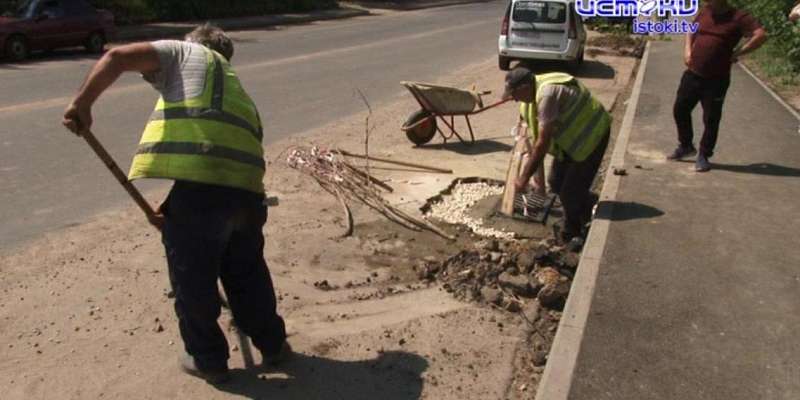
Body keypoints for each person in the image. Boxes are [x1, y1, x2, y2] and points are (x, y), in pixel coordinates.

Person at [62, 24, 289, 384]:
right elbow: (217, 162)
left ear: (191, 44)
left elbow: (117, 57)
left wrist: (82, 104)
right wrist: (176, 214)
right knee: (246, 271)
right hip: (246, 190)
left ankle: (209, 360)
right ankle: (274, 345)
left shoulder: (186, 52)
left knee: (193, 275)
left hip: (203, 189)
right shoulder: (233, 90)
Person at [503, 67, 611, 243]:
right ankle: (586, 203)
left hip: (592, 136)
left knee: (569, 194)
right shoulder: (531, 95)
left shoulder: (547, 96)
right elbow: (534, 135)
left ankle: (572, 234)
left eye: (514, 93)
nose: (514, 99)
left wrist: (523, 178)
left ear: (524, 87)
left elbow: (542, 143)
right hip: (572, 140)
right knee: (555, 182)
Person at [668, 0, 767, 172]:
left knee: (711, 118)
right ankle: (685, 146)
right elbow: (691, 31)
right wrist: (687, 51)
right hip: (693, 73)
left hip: (716, 78)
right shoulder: (705, 11)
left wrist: (739, 52)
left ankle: (704, 155)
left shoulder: (738, 17)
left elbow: (760, 35)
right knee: (680, 109)